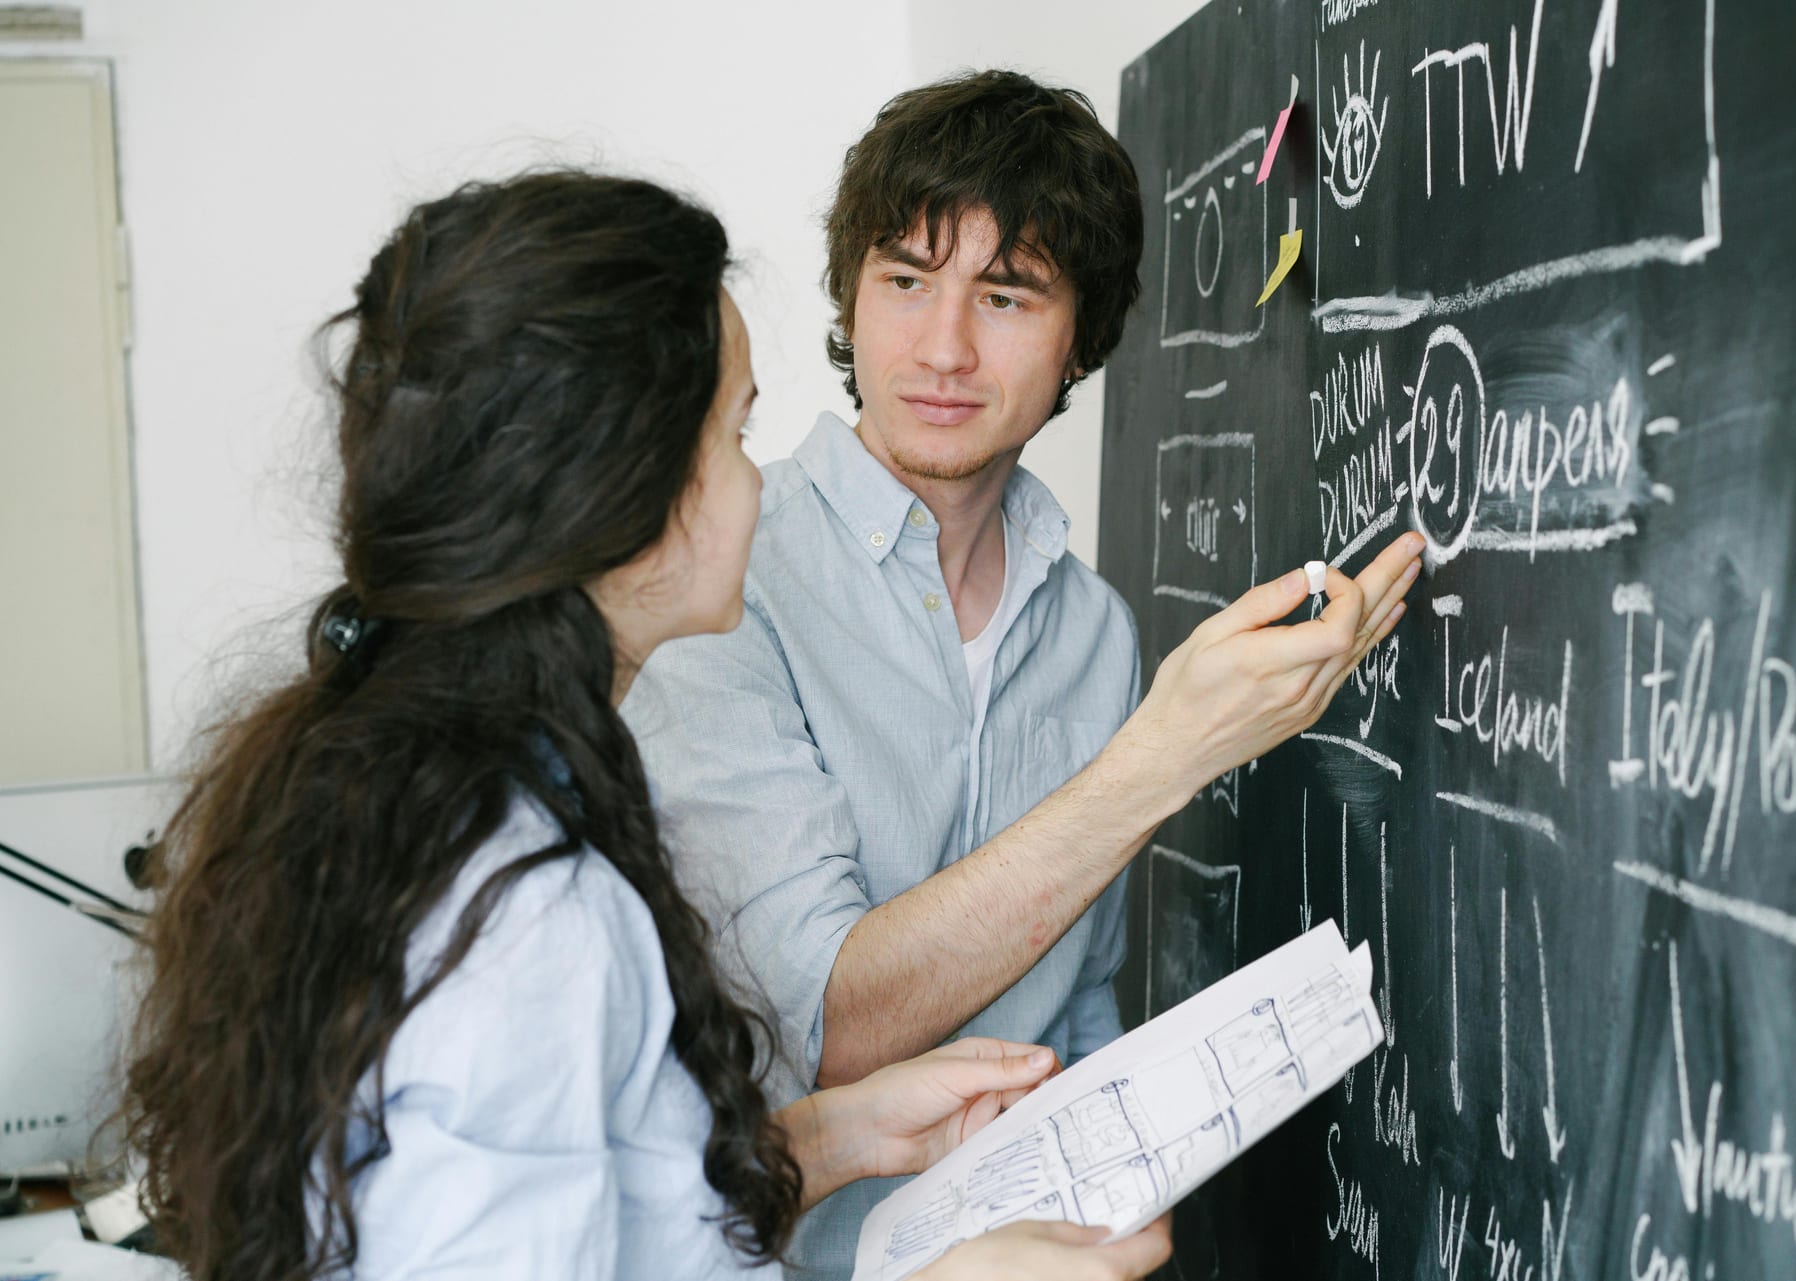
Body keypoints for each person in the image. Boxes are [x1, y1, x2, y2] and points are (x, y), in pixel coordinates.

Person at [115, 172, 1173, 1281]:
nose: (757, 482)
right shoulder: (529, 911)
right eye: (734, 434)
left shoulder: (449, 801)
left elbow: (608, 1210)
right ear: (623, 488)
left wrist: (825, 1138)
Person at [624, 70, 1423, 1279]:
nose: (942, 349)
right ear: (852, 295)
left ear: (1079, 340)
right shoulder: (722, 587)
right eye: (905, 281)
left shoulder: (1096, 632)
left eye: (1004, 297)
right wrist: (1163, 759)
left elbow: (1080, 1009)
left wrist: (1129, 1193)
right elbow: (827, 1024)